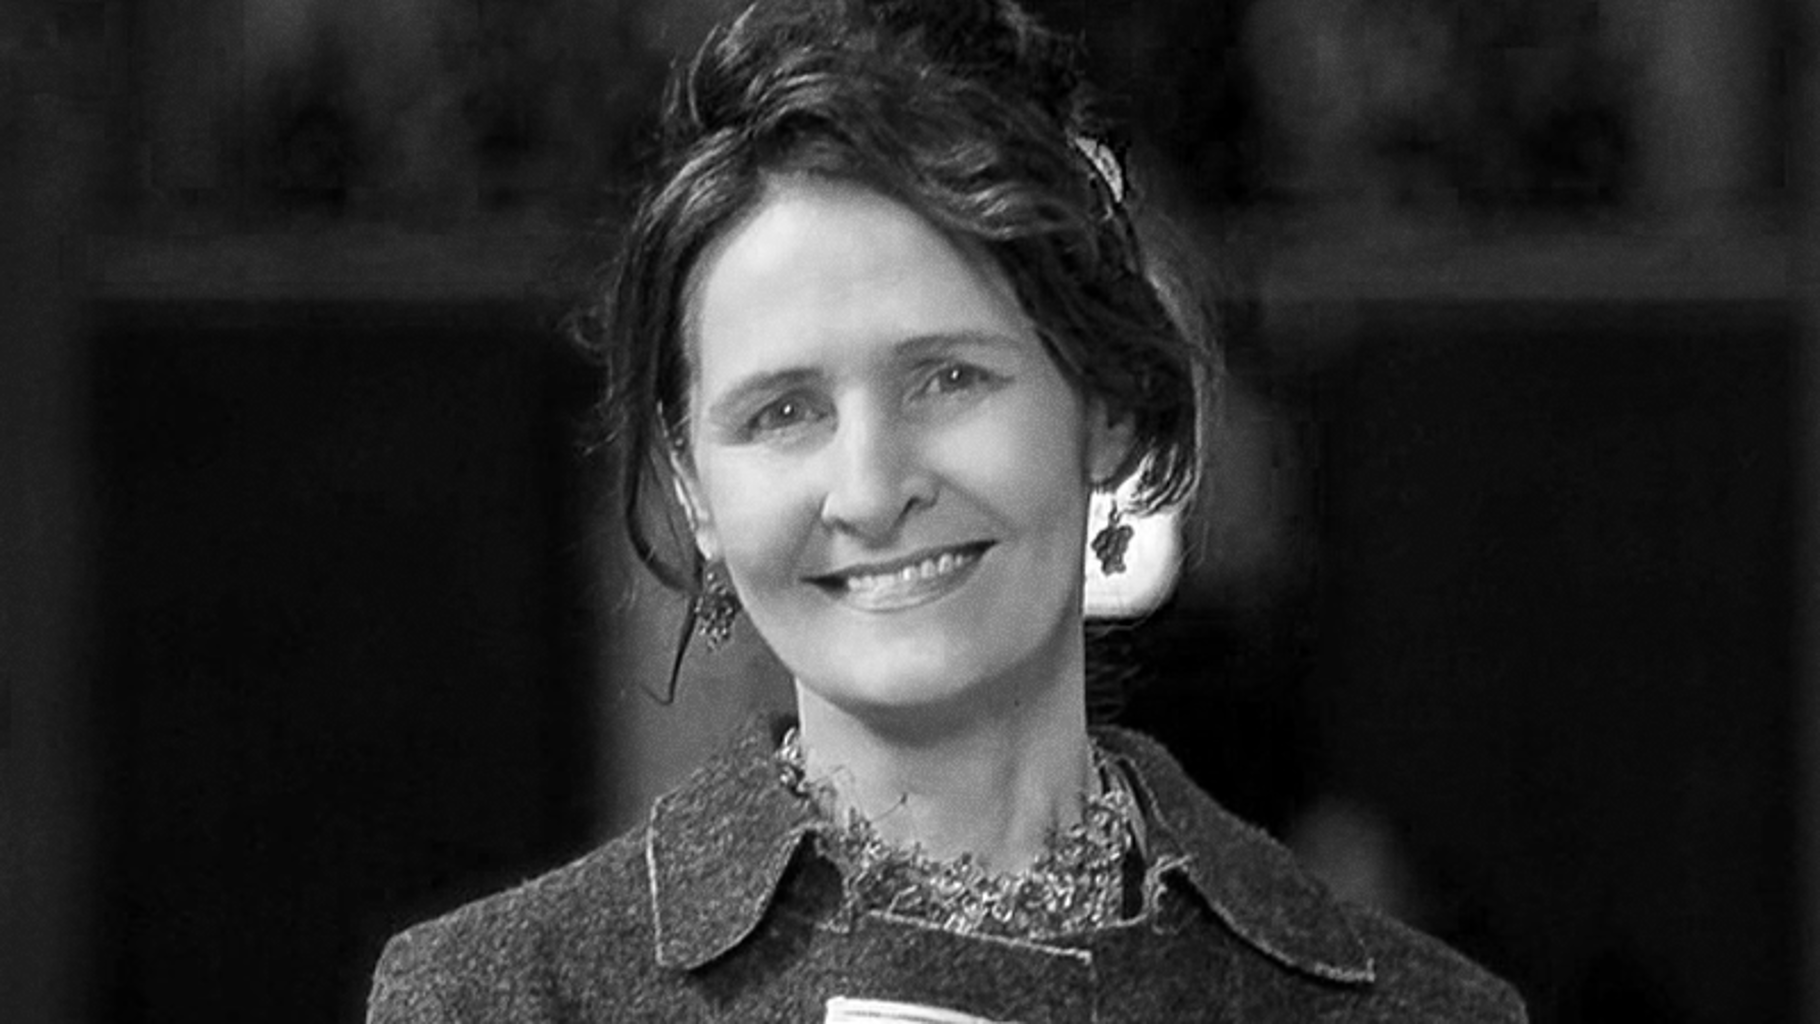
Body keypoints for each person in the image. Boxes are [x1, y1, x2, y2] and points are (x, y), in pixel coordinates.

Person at [366, 0, 1527, 1020]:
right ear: (690, 486)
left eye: (948, 379)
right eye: (782, 412)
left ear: (1106, 405)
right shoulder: (501, 999)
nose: (872, 489)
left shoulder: (1417, 1012)